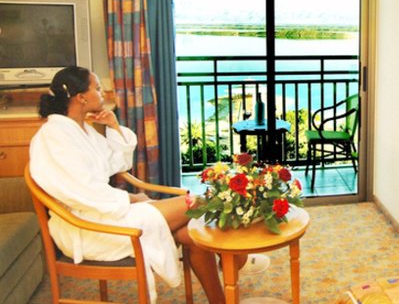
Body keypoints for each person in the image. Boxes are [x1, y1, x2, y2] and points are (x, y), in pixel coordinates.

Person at [29, 66, 240, 304]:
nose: (103, 93)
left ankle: (220, 300)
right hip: (90, 228)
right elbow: (81, 192)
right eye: (97, 88)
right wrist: (132, 198)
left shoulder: (81, 130)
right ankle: (237, 256)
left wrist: (113, 126)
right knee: (198, 203)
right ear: (81, 98)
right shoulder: (54, 136)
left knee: (191, 233)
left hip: (107, 213)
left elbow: (117, 163)